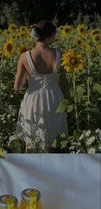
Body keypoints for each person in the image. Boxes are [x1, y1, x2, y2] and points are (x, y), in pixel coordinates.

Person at [10, 20, 68, 152]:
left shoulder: (25, 57)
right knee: (52, 145)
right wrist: (68, 103)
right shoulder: (59, 55)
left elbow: (17, 86)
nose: (55, 37)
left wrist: (26, 77)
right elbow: (64, 84)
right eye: (54, 34)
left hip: (33, 101)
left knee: (30, 145)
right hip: (55, 100)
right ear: (49, 36)